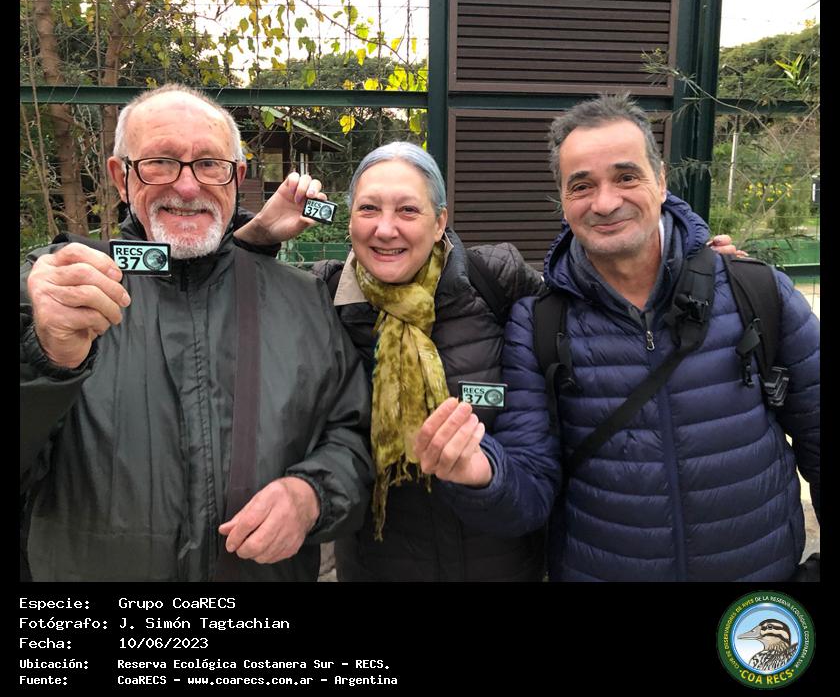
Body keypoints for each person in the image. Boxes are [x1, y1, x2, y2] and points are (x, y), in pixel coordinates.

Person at [236, 140, 745, 582]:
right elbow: (215, 311)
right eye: (369, 209)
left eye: (408, 210)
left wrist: (681, 266)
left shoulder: (494, 280)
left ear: (440, 222)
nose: (386, 229)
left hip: (505, 562)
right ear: (349, 221)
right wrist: (256, 238)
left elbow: (594, 303)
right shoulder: (323, 299)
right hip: (378, 567)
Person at [446, 93, 819, 581]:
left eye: (626, 177)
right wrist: (483, 477)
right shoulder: (538, 324)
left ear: (661, 182)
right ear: (562, 200)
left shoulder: (757, 293)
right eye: (582, 185)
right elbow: (530, 495)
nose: (605, 203)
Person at [20, 83, 374, 582]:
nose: (187, 187)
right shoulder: (56, 295)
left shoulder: (303, 300)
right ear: (121, 177)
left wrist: (312, 495)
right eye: (160, 162)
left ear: (237, 178)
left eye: (209, 164)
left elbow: (353, 435)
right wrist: (46, 360)